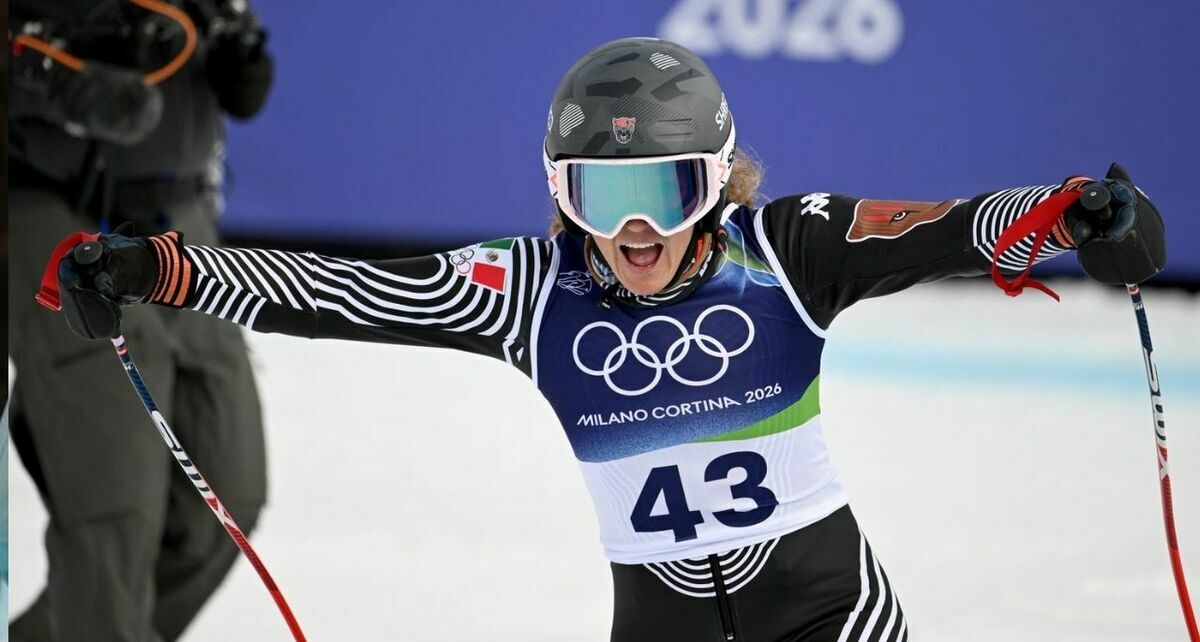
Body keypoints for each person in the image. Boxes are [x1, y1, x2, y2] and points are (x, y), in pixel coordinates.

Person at [41, 38, 1165, 642]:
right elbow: (341, 289)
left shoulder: (787, 251)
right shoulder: (526, 291)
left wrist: (1076, 213)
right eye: (601, 191)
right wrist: (156, 268)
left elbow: (955, 225)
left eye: (666, 191)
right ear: (558, 192)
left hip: (833, 619)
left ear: (717, 182)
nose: (634, 228)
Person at [8, 1, 274, 640]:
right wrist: (55, 87)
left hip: (181, 224)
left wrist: (236, 50)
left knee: (225, 496)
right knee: (115, 509)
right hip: (58, 214)